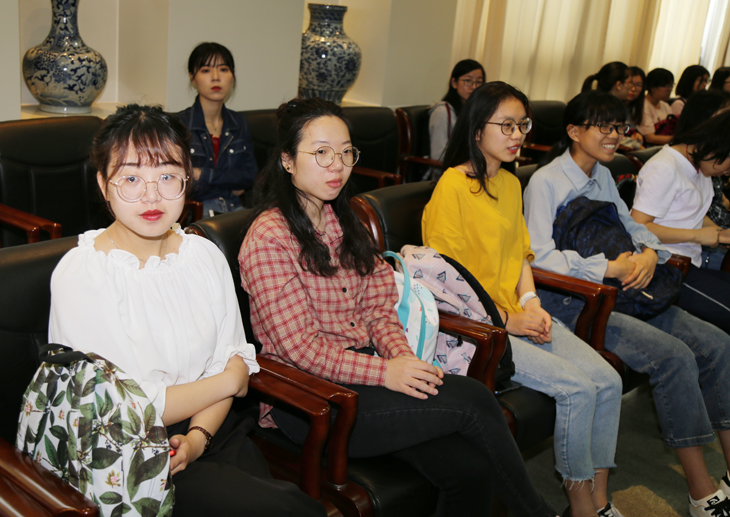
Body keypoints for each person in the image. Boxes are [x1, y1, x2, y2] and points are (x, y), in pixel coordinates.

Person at [239, 97, 558, 517]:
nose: (337, 166)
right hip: (312, 401)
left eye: (345, 152)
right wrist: (386, 373)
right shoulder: (268, 239)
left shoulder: (341, 219)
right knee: (475, 400)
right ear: (287, 160)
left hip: (366, 374)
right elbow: (301, 349)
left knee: (471, 470)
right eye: (321, 153)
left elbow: (379, 309)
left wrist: (403, 360)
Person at [48, 104, 326, 517]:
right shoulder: (84, 273)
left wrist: (198, 437)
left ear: (187, 178)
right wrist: (227, 381)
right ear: (104, 184)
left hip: (212, 428)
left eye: (167, 176)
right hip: (132, 456)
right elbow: (131, 409)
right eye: (131, 178)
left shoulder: (202, 255)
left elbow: (233, 362)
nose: (151, 196)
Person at [523, 89, 730, 517]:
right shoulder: (546, 181)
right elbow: (538, 257)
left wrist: (650, 252)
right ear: (573, 131)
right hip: (577, 301)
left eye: (620, 126)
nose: (615, 135)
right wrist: (607, 268)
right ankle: (701, 489)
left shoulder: (602, 173)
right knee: (674, 356)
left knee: (716, 343)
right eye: (605, 126)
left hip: (627, 290)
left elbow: (632, 226)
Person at [421, 82, 623, 517]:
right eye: (507, 126)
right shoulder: (451, 188)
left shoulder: (511, 183)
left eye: (522, 125)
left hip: (516, 315)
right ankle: (580, 506)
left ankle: (599, 499)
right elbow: (447, 284)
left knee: (608, 382)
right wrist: (506, 321)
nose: (517, 136)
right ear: (478, 130)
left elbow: (520, 256)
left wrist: (531, 302)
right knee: (577, 389)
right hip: (480, 329)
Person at [631, 110, 730, 334]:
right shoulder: (665, 167)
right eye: (728, 165)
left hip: (689, 263)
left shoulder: (699, 165)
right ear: (718, 147)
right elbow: (638, 226)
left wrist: (719, 233)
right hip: (665, 266)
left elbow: (691, 213)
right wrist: (697, 236)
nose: (727, 173)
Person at [175, 42, 258, 217]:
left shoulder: (239, 122)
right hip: (197, 214)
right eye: (206, 70)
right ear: (192, 77)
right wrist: (229, 184)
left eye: (223, 69)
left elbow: (249, 176)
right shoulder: (179, 124)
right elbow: (180, 182)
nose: (215, 77)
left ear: (232, 76)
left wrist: (201, 174)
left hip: (235, 209)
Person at [674, 89, 730, 269]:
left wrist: (721, 234)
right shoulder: (672, 165)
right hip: (694, 251)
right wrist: (715, 235)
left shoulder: (705, 161)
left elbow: (704, 209)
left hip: (709, 240)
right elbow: (641, 227)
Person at [428, 59, 485, 178]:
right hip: (446, 175)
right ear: (454, 83)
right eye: (468, 81)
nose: (474, 87)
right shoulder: (442, 112)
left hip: (468, 170)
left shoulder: (477, 112)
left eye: (479, 82)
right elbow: (439, 157)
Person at [582, 62, 642, 149]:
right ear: (618, 85)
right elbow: (607, 137)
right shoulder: (602, 108)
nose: (632, 88)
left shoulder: (613, 105)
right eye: (630, 83)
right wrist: (637, 146)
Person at [639, 68, 675, 145]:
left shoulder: (665, 106)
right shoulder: (643, 106)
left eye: (672, 86)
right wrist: (677, 139)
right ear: (653, 88)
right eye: (667, 86)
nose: (670, 89)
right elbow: (650, 138)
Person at [625, 66, 646, 142]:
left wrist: (636, 135)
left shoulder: (634, 108)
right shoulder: (612, 107)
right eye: (630, 83)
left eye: (638, 85)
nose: (633, 89)